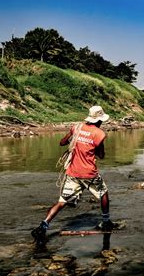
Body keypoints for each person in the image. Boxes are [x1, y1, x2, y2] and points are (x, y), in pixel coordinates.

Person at [32, 105, 115, 244]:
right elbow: (101, 155)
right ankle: (106, 221)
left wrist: (77, 142)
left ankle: (43, 226)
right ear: (99, 120)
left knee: (62, 201)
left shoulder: (76, 127)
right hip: (89, 173)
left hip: (72, 172)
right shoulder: (99, 134)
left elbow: (62, 142)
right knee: (104, 193)